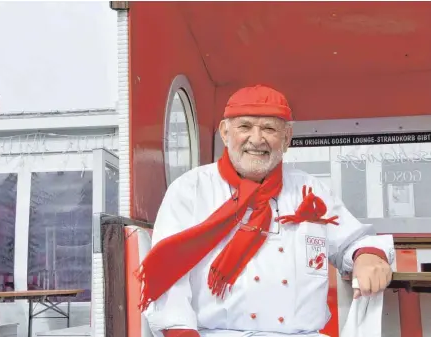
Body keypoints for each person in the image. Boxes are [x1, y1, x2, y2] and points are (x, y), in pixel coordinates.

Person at [137, 85, 394, 337]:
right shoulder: (190, 189)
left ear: (287, 139)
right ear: (225, 133)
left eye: (269, 128)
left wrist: (367, 256)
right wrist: (181, 331)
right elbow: (167, 271)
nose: (257, 139)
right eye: (245, 126)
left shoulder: (310, 191)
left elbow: (353, 240)